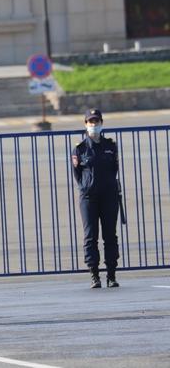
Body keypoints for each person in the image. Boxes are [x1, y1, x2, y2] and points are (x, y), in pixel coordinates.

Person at [72, 108, 122, 289]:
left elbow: (114, 169)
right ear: (85, 124)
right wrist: (87, 186)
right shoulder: (79, 149)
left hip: (109, 196)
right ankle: (94, 275)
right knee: (90, 236)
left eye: (97, 121)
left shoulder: (110, 146)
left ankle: (111, 275)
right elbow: (77, 174)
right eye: (91, 122)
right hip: (88, 197)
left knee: (110, 235)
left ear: (102, 123)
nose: (94, 125)